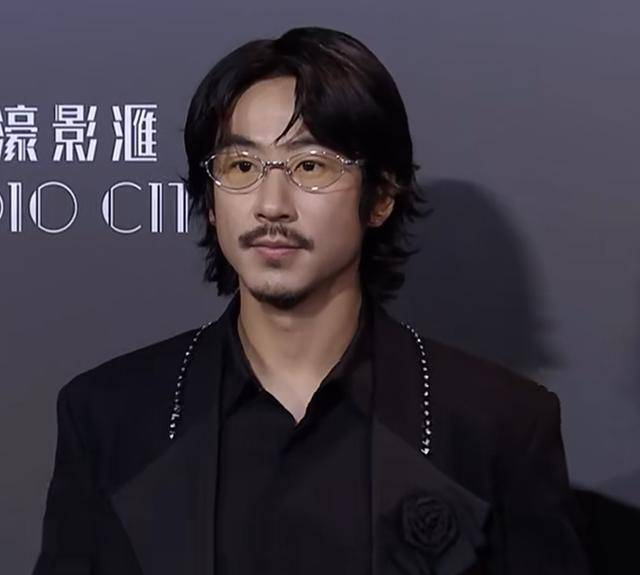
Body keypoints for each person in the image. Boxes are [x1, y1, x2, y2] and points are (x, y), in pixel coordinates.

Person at [33, 27, 592, 575]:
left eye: (310, 166)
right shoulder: (109, 416)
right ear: (210, 202)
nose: (271, 204)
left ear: (380, 196)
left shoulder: (500, 426)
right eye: (241, 166)